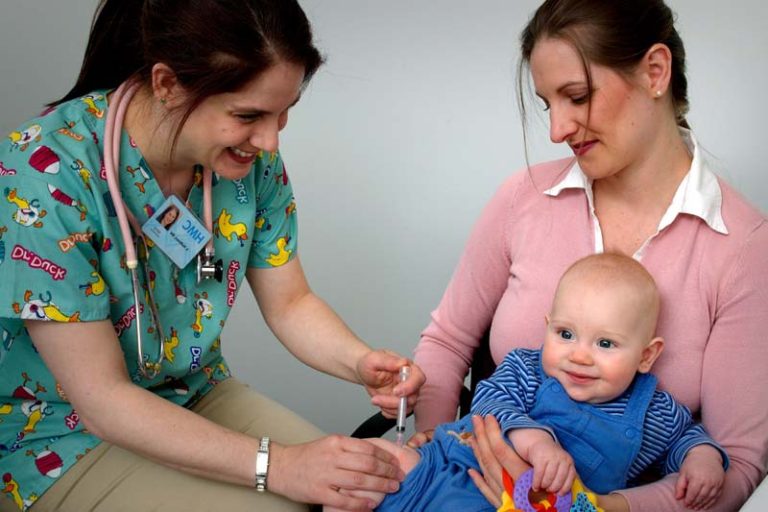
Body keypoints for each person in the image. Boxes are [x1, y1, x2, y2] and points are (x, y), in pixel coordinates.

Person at [0, 1, 425, 511]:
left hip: (195, 392)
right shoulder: (44, 173)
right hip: (60, 433)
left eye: (282, 113)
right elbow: (102, 400)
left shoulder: (246, 163)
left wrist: (359, 362)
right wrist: (282, 466)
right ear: (167, 84)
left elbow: (290, 303)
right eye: (248, 116)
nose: (269, 141)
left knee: (370, 492)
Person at [411, 0, 768, 510]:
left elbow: (738, 462)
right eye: (547, 104)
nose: (557, 130)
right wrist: (434, 451)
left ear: (655, 71)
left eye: (577, 97)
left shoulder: (745, 248)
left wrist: (587, 508)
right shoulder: (522, 199)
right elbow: (447, 342)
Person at [330, 253, 729, 512]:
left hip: (515, 505)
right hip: (445, 463)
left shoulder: (655, 411)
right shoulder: (528, 367)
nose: (579, 355)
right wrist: (535, 442)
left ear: (646, 355)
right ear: (547, 327)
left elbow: (687, 437)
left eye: (605, 343)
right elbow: (490, 400)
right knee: (357, 469)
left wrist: (702, 460)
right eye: (565, 334)